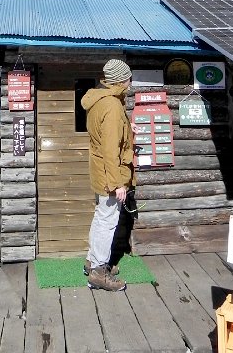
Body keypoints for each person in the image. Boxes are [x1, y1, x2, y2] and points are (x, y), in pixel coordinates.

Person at [81, 58, 135, 292]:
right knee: (107, 222)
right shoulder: (112, 106)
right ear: (121, 80)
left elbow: (107, 136)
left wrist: (128, 131)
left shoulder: (100, 100)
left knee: (101, 216)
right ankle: (98, 273)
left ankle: (91, 261)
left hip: (100, 170)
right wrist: (117, 183)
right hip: (110, 174)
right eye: (129, 77)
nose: (131, 81)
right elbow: (111, 149)